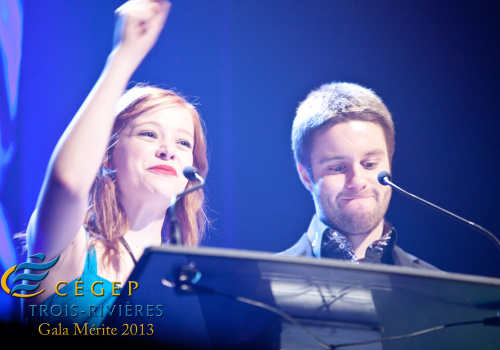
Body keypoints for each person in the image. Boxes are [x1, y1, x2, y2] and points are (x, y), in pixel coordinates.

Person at [23, 0, 208, 326]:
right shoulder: (69, 247)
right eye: (149, 134)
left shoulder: (193, 279)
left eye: (183, 142)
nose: (169, 151)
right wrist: (124, 57)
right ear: (107, 154)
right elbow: (67, 182)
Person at [280, 82, 437, 269]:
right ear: (306, 176)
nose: (358, 181)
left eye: (369, 164)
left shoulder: (442, 292)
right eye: (338, 168)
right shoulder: (264, 285)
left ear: (390, 162)